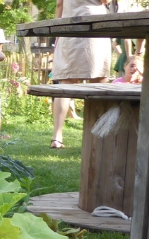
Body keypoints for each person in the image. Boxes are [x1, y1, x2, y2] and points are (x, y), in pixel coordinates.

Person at [49, 0, 112, 148]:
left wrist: (58, 32)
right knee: (99, 81)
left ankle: (57, 137)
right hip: (94, 24)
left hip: (68, 24)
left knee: (66, 83)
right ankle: (98, 136)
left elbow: (59, 3)